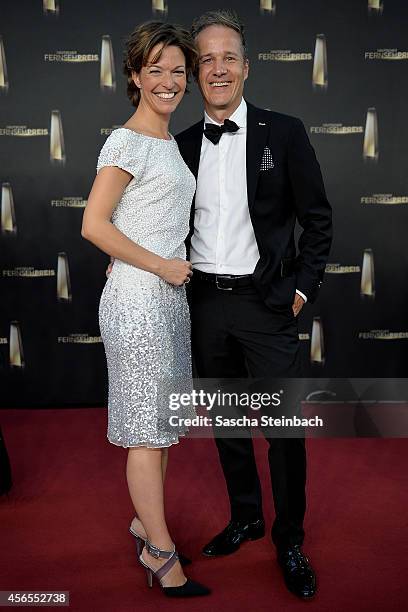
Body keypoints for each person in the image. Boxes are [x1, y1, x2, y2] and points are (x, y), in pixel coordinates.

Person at [174, 9, 332, 599]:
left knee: (283, 428)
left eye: (227, 57)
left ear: (247, 66)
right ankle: (247, 516)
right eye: (206, 60)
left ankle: (289, 536)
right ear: (196, 73)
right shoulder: (181, 143)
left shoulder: (284, 131)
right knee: (227, 423)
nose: (217, 68)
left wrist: (300, 290)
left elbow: (317, 221)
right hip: (204, 304)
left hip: (267, 304)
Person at [81, 21, 210, 598]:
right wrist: (155, 265)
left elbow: (140, 220)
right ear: (134, 75)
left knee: (160, 427)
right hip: (139, 301)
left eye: (177, 71)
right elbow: (92, 224)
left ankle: (144, 524)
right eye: (154, 69)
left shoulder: (169, 143)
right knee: (145, 432)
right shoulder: (126, 140)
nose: (168, 81)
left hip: (167, 301)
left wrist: (154, 264)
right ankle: (160, 553)